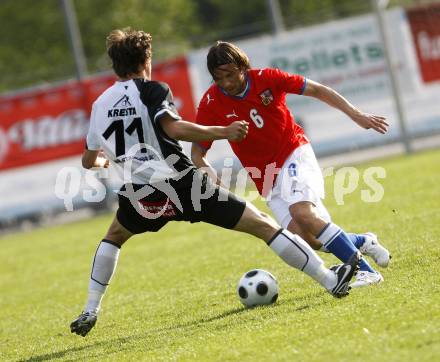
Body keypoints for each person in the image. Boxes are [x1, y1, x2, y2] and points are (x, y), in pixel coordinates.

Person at [70, 29, 360, 337]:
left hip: (143, 194)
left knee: (114, 236)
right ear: (146, 60)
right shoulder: (152, 90)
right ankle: (330, 279)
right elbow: (175, 129)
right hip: (184, 185)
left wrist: (110, 161)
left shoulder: (100, 105)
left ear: (116, 65)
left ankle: (90, 309)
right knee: (263, 224)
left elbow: (89, 160)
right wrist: (223, 131)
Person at [192, 41, 391, 289]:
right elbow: (198, 152)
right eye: (218, 78)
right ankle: (363, 241)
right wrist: (212, 178)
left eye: (230, 75)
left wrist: (357, 115)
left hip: (293, 153)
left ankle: (367, 272)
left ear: (243, 67)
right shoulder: (211, 102)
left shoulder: (268, 78)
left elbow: (318, 90)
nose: (226, 83)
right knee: (307, 238)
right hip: (266, 178)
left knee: (303, 213)